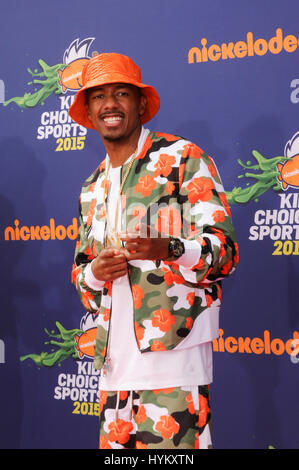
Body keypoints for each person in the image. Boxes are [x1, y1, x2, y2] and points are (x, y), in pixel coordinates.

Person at [69, 52, 238, 450]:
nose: (109, 104)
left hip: (174, 368)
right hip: (113, 373)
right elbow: (81, 277)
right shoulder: (92, 186)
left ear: (141, 103)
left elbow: (226, 251)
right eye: (98, 96)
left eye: (121, 93)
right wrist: (97, 272)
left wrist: (169, 248)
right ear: (89, 112)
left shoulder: (182, 158)